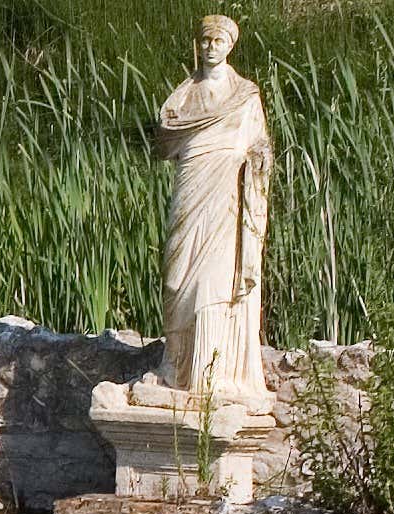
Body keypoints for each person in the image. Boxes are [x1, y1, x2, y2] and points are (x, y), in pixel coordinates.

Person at [151, 14, 274, 411]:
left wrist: (252, 161)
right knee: (177, 276)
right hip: (192, 185)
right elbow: (164, 137)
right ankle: (176, 366)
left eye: (218, 41)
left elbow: (262, 147)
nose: (210, 47)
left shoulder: (246, 95)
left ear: (230, 46)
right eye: (205, 41)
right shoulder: (183, 97)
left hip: (226, 193)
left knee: (214, 279)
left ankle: (210, 374)